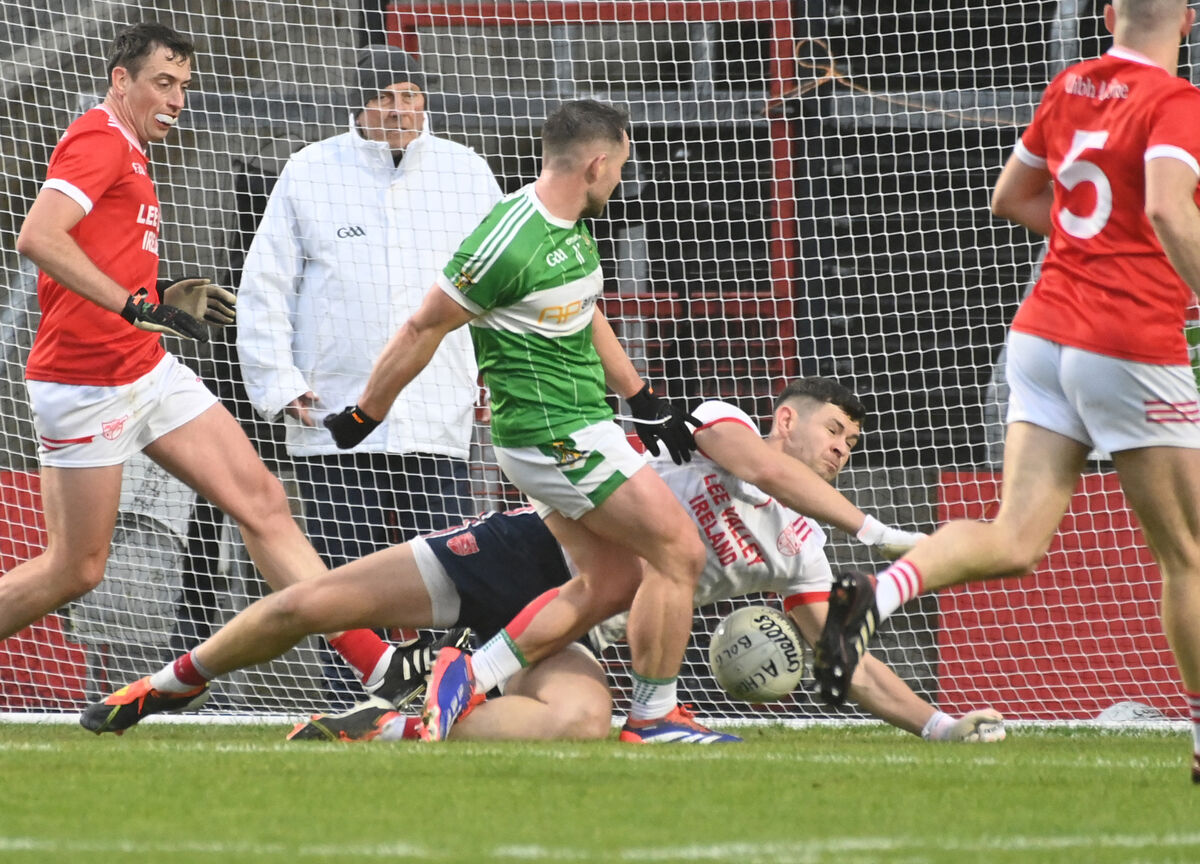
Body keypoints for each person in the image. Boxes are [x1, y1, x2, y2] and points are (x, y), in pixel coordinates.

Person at [79, 377, 1003, 745]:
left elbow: (844, 658)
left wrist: (939, 727)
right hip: (524, 554)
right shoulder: (719, 427)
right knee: (313, 603)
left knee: (578, 722)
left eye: (852, 442)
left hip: (579, 618)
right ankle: (162, 685)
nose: (840, 448)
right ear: (788, 419)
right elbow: (759, 468)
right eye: (833, 431)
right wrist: (874, 532)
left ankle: (398, 728)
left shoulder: (797, 548)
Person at [812, 0, 1200, 783]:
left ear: (1105, 13)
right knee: (1187, 553)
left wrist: (1087, 251)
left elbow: (1011, 198)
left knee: (1016, 536)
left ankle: (877, 595)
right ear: (1187, 20)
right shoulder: (1176, 102)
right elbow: (1165, 205)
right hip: (1125, 339)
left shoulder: (1071, 85)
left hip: (1042, 332)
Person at [4, 21, 412, 710]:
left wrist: (159, 296)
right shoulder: (100, 137)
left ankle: (382, 667)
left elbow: (100, 264)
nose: (176, 98)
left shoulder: (131, 148)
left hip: (145, 369)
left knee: (262, 503)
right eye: (162, 83)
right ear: (120, 80)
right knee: (76, 569)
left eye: (184, 86)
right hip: (85, 385)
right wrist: (138, 306)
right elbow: (38, 237)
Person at [323, 98, 726, 743]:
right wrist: (365, 411)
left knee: (612, 580)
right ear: (597, 164)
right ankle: (652, 716)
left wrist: (643, 399)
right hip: (552, 435)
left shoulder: (571, 224)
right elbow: (424, 325)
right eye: (621, 165)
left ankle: (464, 679)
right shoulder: (508, 240)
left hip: (581, 422)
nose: (623, 178)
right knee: (678, 548)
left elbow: (584, 311)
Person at [236, 45, 502, 569]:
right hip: (333, 418)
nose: (399, 109)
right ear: (358, 107)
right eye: (383, 97)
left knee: (447, 579)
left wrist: (496, 373)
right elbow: (265, 285)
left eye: (410, 95)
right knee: (344, 584)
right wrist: (281, 386)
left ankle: (443, 658)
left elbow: (499, 288)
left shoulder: (466, 172)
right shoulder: (309, 171)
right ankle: (358, 657)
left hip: (437, 418)